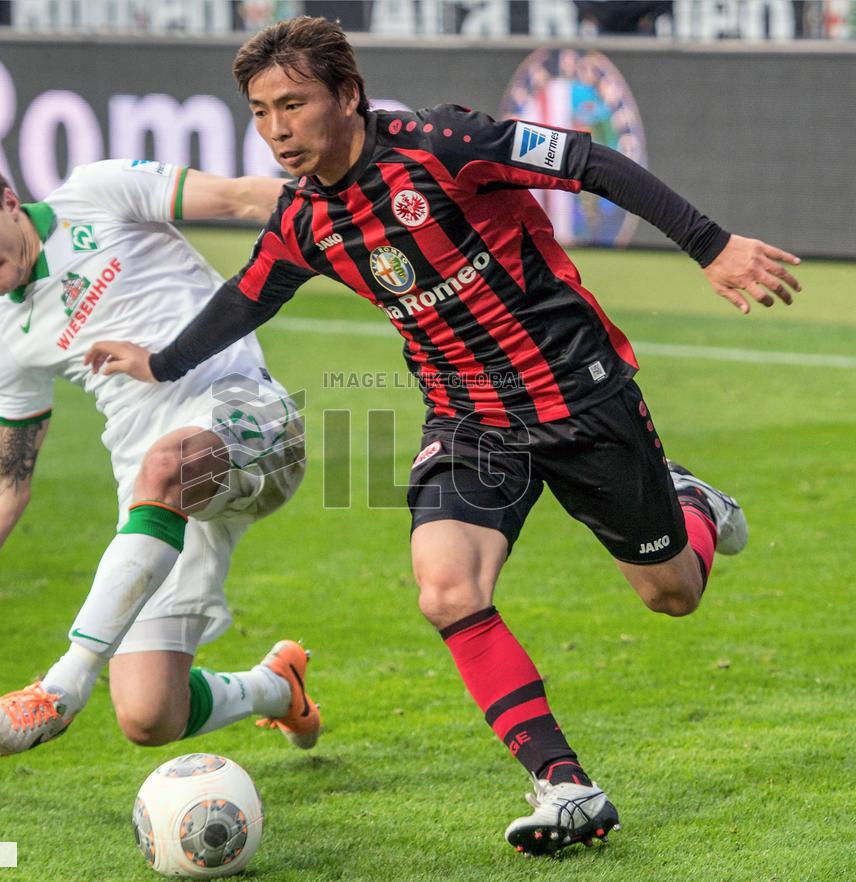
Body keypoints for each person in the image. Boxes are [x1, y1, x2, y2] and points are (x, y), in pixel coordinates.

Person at [84, 17, 801, 856]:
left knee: (671, 592)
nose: (278, 130)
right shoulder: (304, 222)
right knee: (446, 589)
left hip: (579, 393)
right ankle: (564, 784)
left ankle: (692, 504)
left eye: (293, 104)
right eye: (260, 112)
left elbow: (590, 162)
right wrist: (162, 363)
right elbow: (248, 296)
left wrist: (710, 246)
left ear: (347, 95)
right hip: (468, 417)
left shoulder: (446, 144)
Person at [0, 145, 318, 758]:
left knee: (164, 465)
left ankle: (65, 683)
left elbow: (245, 197)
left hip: (248, 417)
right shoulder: (9, 333)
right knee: (149, 714)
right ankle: (276, 688)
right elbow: (6, 482)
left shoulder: (97, 192)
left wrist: (365, 207)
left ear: (10, 202)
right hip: (157, 504)